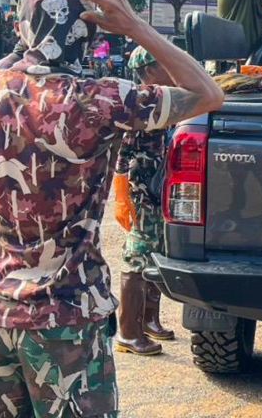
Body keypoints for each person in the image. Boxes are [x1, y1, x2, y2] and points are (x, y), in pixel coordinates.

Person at [0, 0, 223, 418]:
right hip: (68, 324)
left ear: (23, 23)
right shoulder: (103, 99)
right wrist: (137, 26)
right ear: (89, 28)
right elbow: (208, 93)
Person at [112, 46, 176, 357]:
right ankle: (128, 332)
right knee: (136, 256)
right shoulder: (143, 99)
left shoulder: (162, 94)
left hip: (156, 185)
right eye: (162, 62)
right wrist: (122, 196)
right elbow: (121, 154)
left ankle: (149, 319)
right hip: (141, 188)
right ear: (149, 69)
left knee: (155, 252)